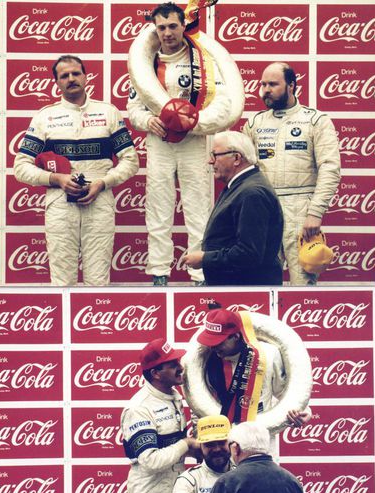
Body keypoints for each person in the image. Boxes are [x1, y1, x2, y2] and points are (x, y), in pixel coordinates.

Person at [127, 2, 231, 286]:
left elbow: (223, 104)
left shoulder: (203, 60)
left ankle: (199, 274)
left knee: (198, 208)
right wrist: (148, 121)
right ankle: (159, 272)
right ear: (154, 29)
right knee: (158, 208)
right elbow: (134, 109)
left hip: (192, 141)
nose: (167, 33)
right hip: (160, 142)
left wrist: (193, 123)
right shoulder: (146, 62)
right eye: (161, 27)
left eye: (173, 26)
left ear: (184, 26)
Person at [14, 54, 139, 286]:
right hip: (60, 202)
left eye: (75, 73)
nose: (71, 79)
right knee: (62, 282)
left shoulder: (108, 112)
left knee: (98, 282)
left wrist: (103, 182)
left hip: (100, 199)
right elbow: (20, 167)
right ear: (57, 82)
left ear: (86, 77)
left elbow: (131, 161)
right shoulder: (45, 116)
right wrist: (56, 178)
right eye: (64, 76)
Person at [243, 61, 341, 285]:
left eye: (273, 84)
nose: (266, 90)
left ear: (291, 86)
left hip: (300, 208)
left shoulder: (316, 120)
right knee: (262, 281)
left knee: (303, 281)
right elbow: (245, 172)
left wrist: (315, 212)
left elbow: (330, 168)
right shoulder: (255, 122)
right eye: (263, 84)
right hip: (264, 207)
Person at [120, 338, 200, 493]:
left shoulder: (174, 395)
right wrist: (186, 444)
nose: (180, 366)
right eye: (172, 363)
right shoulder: (139, 407)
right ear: (155, 373)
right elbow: (151, 460)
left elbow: (171, 447)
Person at [187, 307, 311, 456]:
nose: (213, 347)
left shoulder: (268, 354)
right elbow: (199, 404)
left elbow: (283, 392)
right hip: (222, 445)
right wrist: (198, 436)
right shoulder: (207, 360)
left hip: (261, 441)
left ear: (235, 336)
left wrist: (302, 412)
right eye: (210, 342)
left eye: (219, 342)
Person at [183, 131, 284, 285]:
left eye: (215, 155)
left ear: (236, 158)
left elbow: (249, 254)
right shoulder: (242, 186)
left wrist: (205, 258)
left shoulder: (251, 193)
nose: (210, 161)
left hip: (246, 291)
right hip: (237, 288)